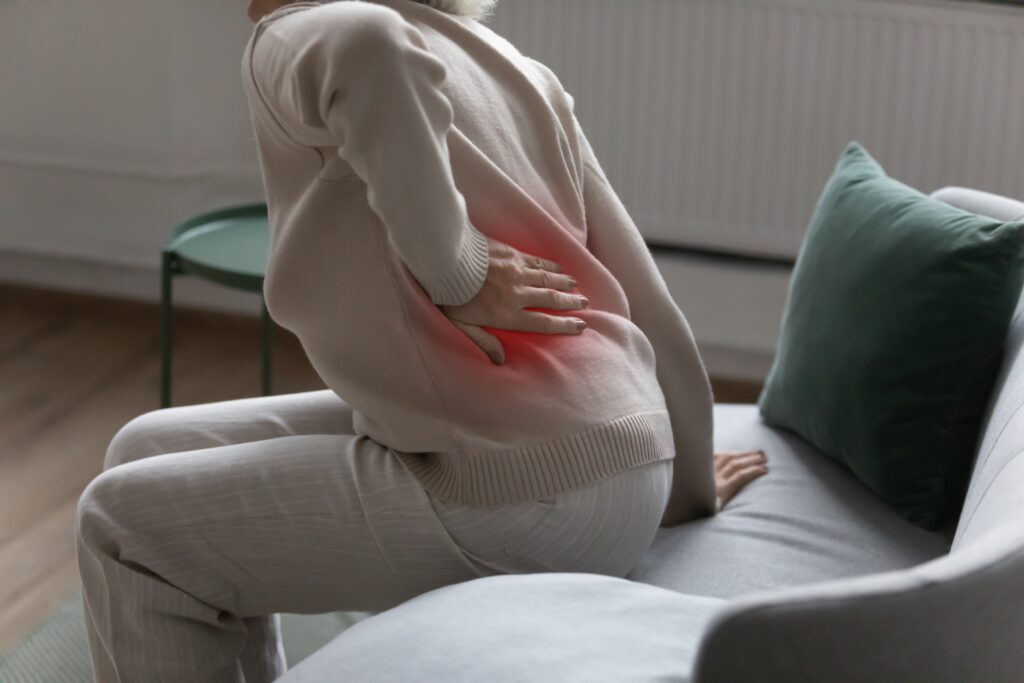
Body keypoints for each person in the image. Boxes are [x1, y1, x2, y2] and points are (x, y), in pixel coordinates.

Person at [75, 1, 769, 680]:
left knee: (122, 529)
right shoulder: (513, 68)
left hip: (521, 488)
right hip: (616, 453)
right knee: (144, 448)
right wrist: (686, 484)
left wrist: (461, 271)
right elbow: (646, 296)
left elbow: (366, 42)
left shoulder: (299, 29)